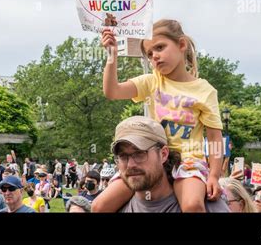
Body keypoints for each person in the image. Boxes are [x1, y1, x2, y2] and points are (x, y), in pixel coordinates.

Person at [101, 19, 224, 212]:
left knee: (192, 205)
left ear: (181, 44)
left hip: (187, 160)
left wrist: (214, 176)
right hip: (150, 158)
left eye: (160, 48)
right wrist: (111, 55)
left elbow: (215, 138)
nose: (155, 57)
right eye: (149, 54)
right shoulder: (151, 82)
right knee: (100, 205)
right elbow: (112, 91)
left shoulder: (205, 91)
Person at [92, 116, 229, 213]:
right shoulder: (112, 206)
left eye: (140, 153)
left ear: (163, 154)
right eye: (123, 156)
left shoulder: (204, 205)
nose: (131, 164)